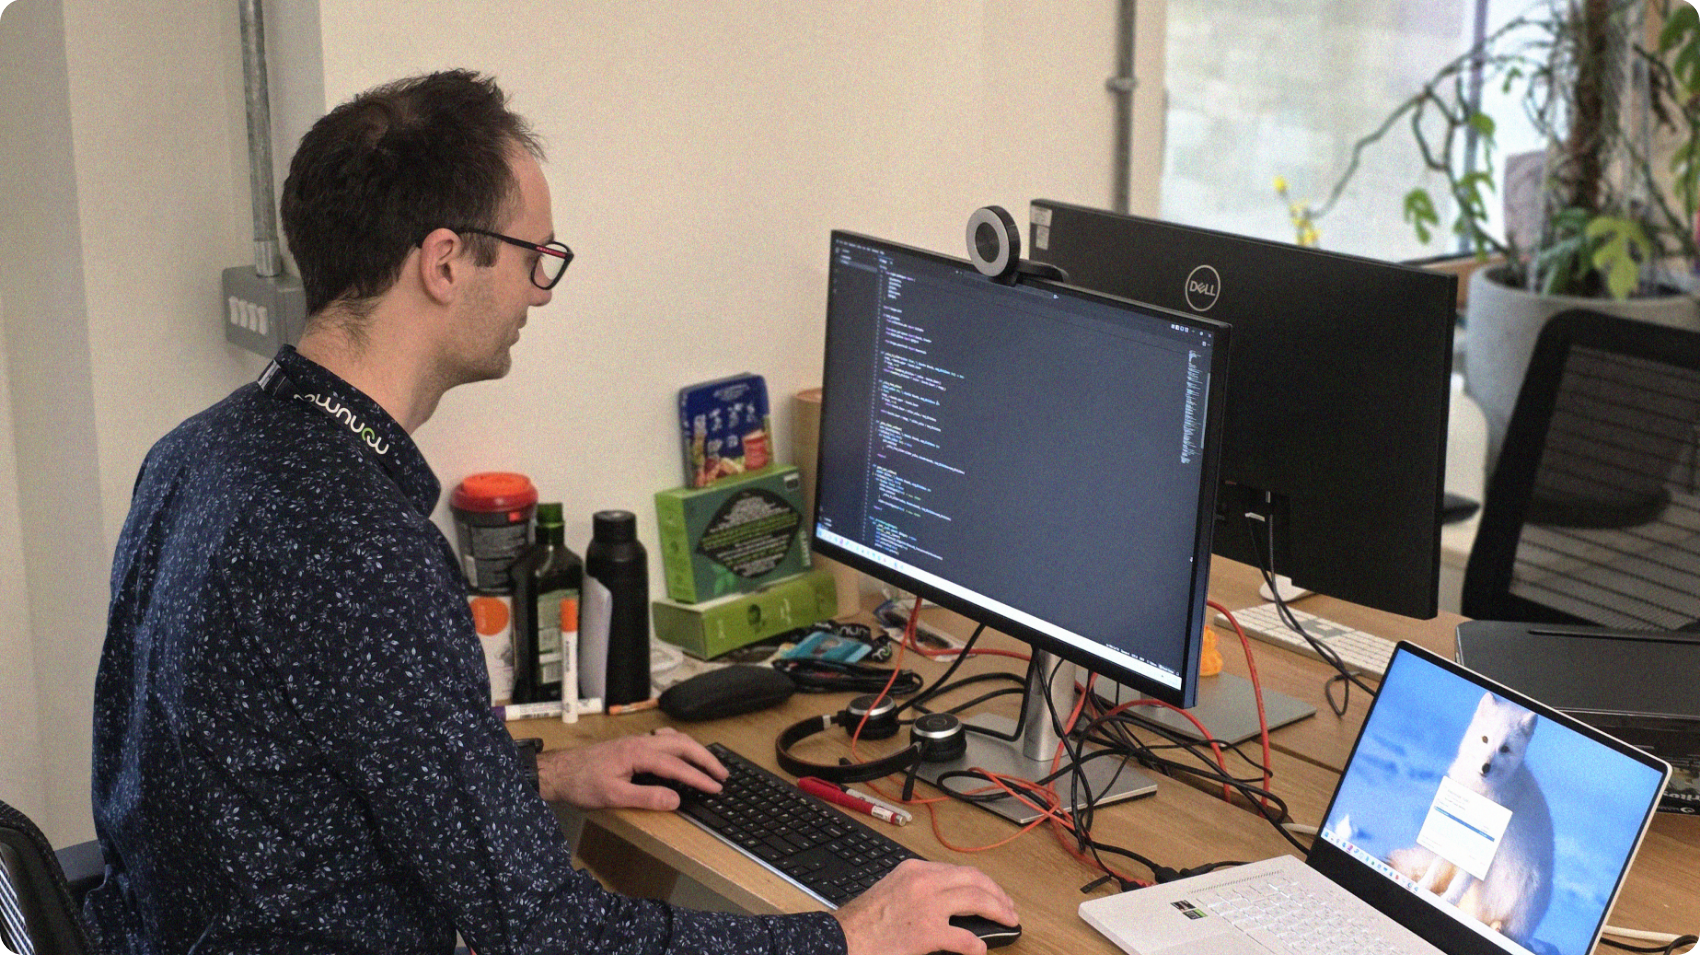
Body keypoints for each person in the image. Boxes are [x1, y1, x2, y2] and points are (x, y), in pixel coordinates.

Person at [87, 70, 1016, 955]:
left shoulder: (198, 454)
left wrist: (532, 776)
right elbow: (549, 935)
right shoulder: (359, 542)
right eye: (536, 258)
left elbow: (284, 776)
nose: (540, 290)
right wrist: (846, 936)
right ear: (446, 261)